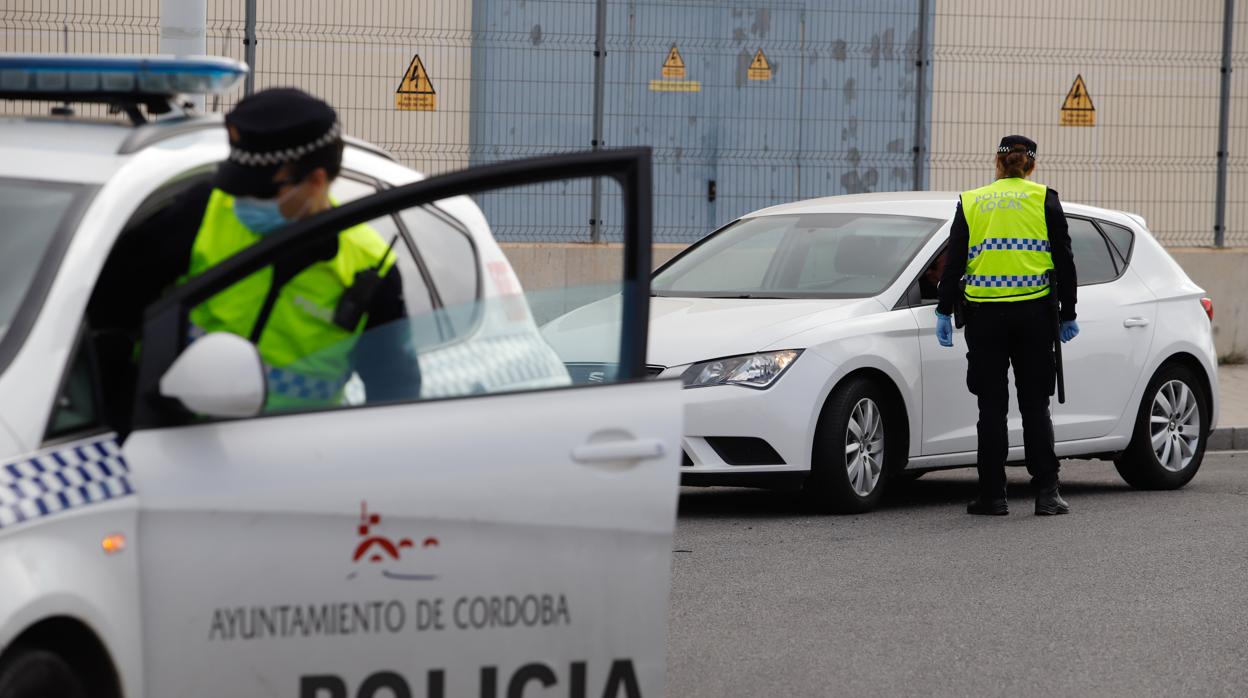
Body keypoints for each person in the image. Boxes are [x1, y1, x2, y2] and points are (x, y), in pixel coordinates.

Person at [91, 87, 419, 417]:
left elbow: (394, 396)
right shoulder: (202, 211)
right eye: (238, 185)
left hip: (295, 456)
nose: (241, 200)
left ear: (316, 181)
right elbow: (105, 314)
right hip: (168, 438)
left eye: (259, 190)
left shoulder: (370, 267)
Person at [934, 135, 1078, 516]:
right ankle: (1047, 493)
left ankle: (993, 496)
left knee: (991, 408)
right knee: (1035, 406)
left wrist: (943, 310)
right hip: (1034, 316)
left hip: (985, 319)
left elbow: (954, 262)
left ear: (997, 164)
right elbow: (1064, 259)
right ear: (1030, 166)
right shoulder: (1045, 198)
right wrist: (1069, 313)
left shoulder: (973, 201)